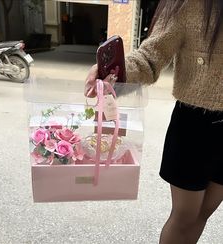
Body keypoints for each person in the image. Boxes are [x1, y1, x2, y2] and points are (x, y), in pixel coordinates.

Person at [85, 0, 223, 243]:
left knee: (204, 213)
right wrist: (115, 71)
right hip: (196, 125)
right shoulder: (188, 5)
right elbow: (150, 56)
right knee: (184, 217)